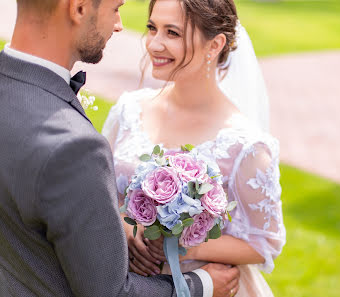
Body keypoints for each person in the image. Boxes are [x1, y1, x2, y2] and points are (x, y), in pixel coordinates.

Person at [0, 0, 240, 296]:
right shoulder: (75, 147)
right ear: (79, 8)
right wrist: (202, 284)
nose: (119, 25)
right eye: (115, 8)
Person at [102, 0, 286, 296]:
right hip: (120, 280)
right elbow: (98, 190)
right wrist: (126, 229)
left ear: (214, 45)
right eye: (152, 28)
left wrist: (179, 247)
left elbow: (264, 243)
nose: (154, 44)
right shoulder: (128, 110)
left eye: (172, 33)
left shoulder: (245, 145)